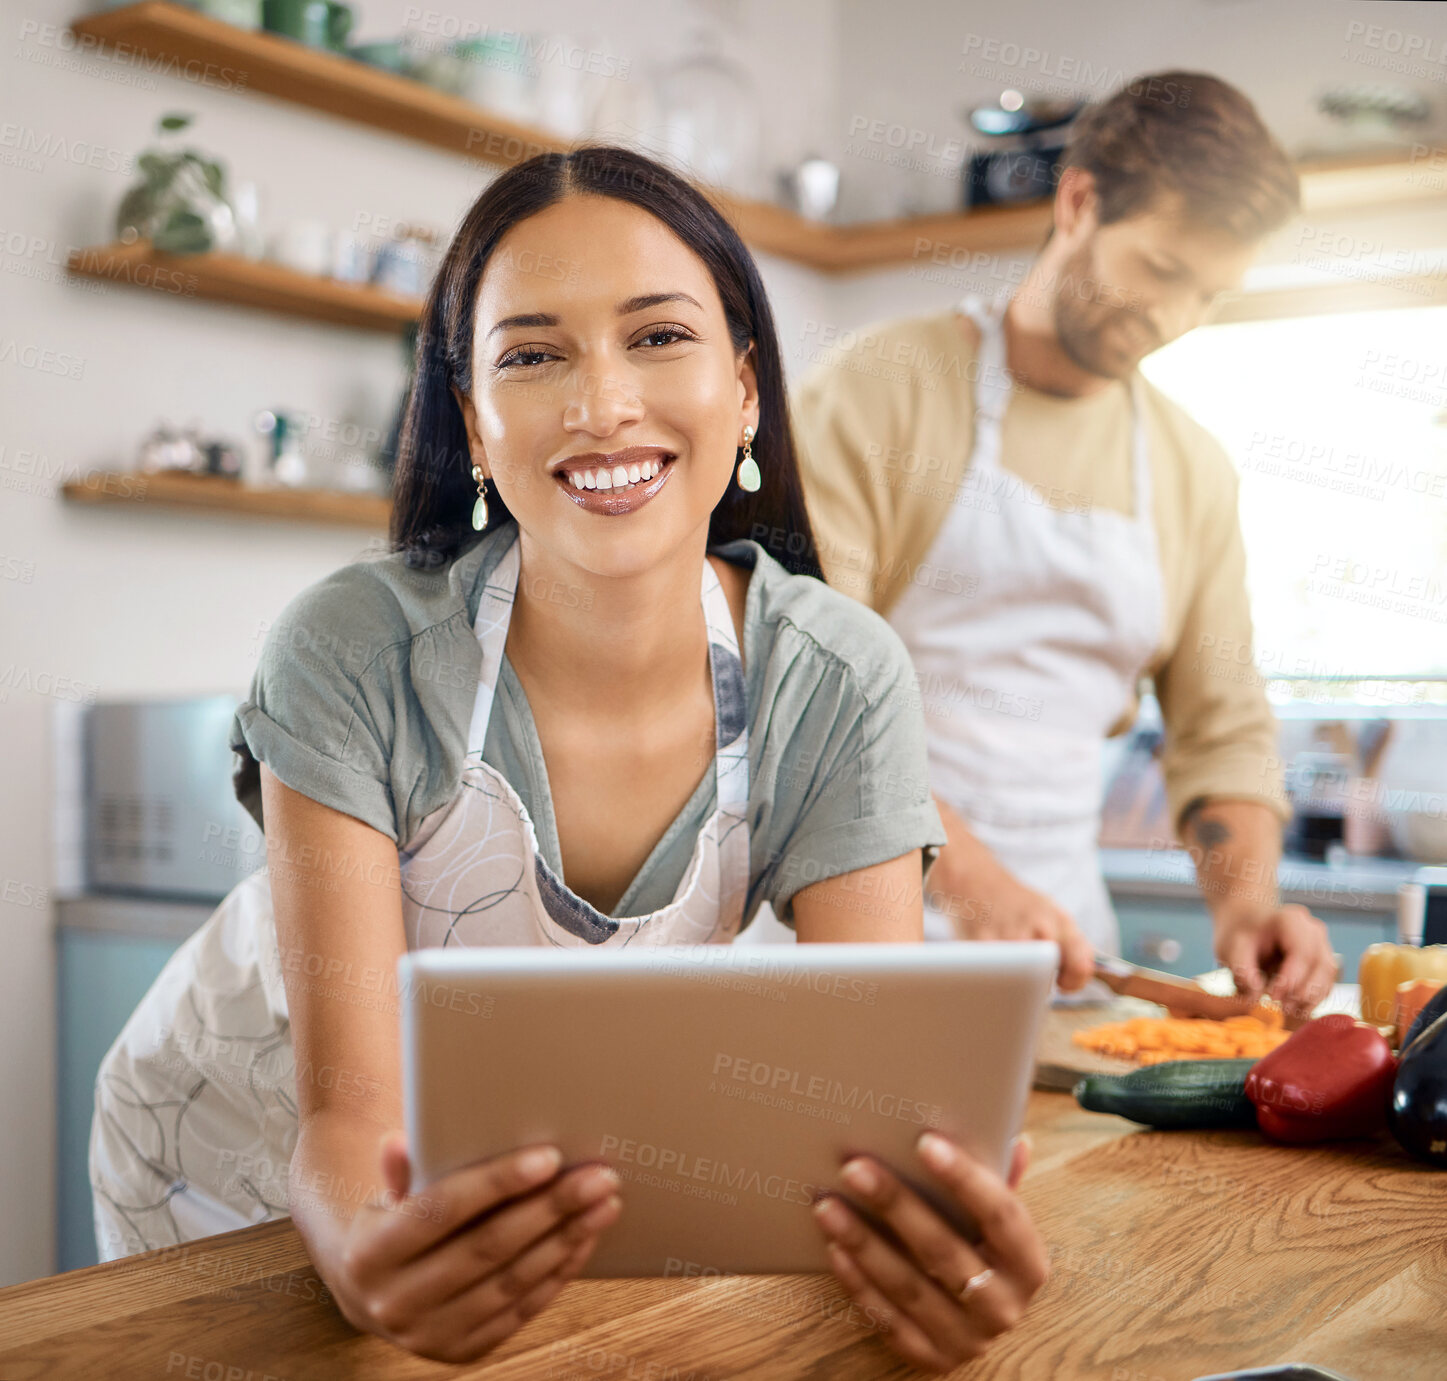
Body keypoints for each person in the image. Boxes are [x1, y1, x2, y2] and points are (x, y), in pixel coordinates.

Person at [90, 146, 1050, 1374]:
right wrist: (370, 1263)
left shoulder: (839, 678)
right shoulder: (352, 648)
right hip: (231, 1156)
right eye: (533, 355)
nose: (602, 403)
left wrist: (929, 1251)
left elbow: (861, 1121)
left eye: (658, 337)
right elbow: (349, 1114)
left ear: (746, 390)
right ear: (474, 428)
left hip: (516, 1199)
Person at [790, 71, 1337, 1014]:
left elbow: (1222, 730)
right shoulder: (878, 389)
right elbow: (803, 690)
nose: (1172, 318)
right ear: (1077, 199)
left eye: (1207, 294)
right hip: (857, 919)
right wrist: (973, 888)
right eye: (1161, 270)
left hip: (1065, 944)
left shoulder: (1189, 468)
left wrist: (1247, 907)